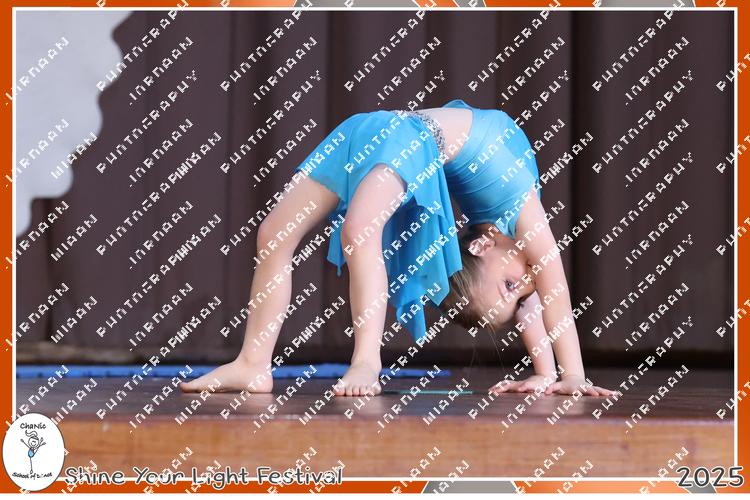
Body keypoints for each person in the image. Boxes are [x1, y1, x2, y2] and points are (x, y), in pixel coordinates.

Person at [180, 99, 620, 398]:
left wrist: (545, 374)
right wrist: (572, 375)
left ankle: (364, 362)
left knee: (358, 231)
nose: (527, 283)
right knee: (273, 235)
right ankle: (253, 362)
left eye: (515, 290)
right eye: (511, 284)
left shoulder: (500, 241)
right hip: (382, 131)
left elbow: (531, 307)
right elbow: (554, 292)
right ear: (482, 245)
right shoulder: (522, 209)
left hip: (402, 137)